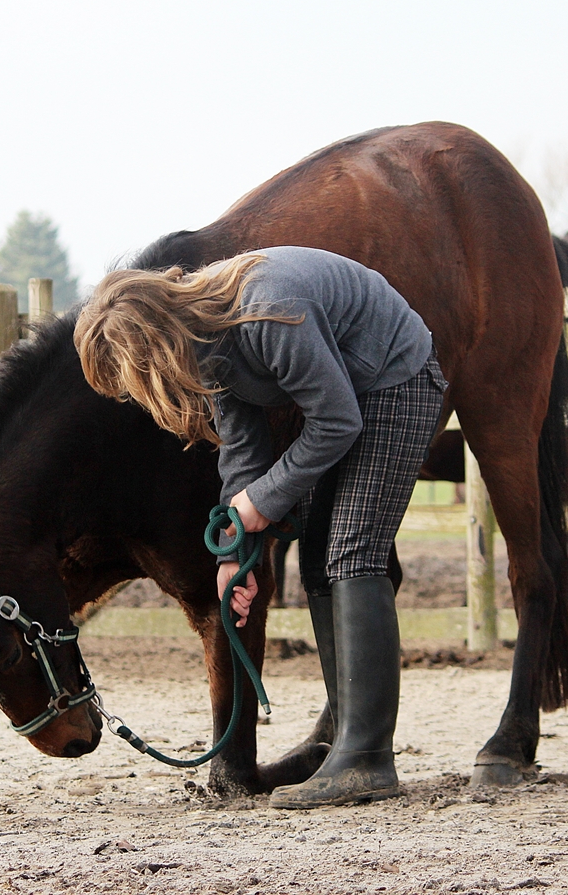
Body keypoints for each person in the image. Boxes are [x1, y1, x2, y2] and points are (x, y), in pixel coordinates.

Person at [74, 246, 446, 808]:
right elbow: (243, 448)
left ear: (155, 344)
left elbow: (338, 420)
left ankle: (367, 758)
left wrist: (258, 505)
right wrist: (235, 553)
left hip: (396, 380)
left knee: (352, 552)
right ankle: (341, 739)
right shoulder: (204, 337)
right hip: (349, 395)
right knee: (322, 557)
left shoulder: (267, 312)